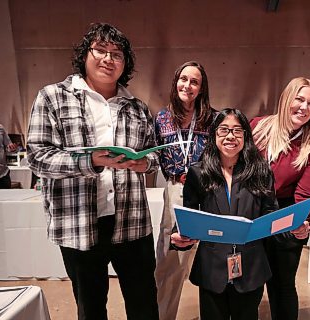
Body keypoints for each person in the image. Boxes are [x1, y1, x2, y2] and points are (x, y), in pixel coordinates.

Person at [26, 23, 159, 320]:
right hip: (79, 222)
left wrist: (144, 163)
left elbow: (152, 155)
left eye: (117, 54)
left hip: (132, 219)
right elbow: (37, 158)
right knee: (91, 306)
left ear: (125, 64)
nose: (108, 59)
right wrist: (91, 162)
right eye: (100, 50)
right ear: (85, 55)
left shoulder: (136, 106)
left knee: (144, 302)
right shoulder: (52, 97)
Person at [251, 77, 310, 320]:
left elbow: (303, 194)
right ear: (286, 99)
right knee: (248, 286)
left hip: (285, 214)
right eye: (300, 99)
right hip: (249, 213)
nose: (304, 107)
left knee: (282, 285)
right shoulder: (257, 127)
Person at [171, 108, 278, 320]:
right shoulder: (198, 173)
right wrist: (178, 235)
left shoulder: (260, 171)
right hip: (212, 265)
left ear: (246, 136)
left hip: (251, 265)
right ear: (214, 135)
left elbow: (270, 213)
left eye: (238, 130)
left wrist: (295, 228)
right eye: (224, 130)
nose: (231, 136)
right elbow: (190, 214)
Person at [153, 61, 216, 320]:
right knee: (171, 263)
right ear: (175, 81)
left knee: (212, 259)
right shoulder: (161, 118)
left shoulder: (212, 118)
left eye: (194, 81)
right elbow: (153, 156)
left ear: (201, 88)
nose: (187, 85)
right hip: (177, 190)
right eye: (183, 79)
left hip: (208, 191)